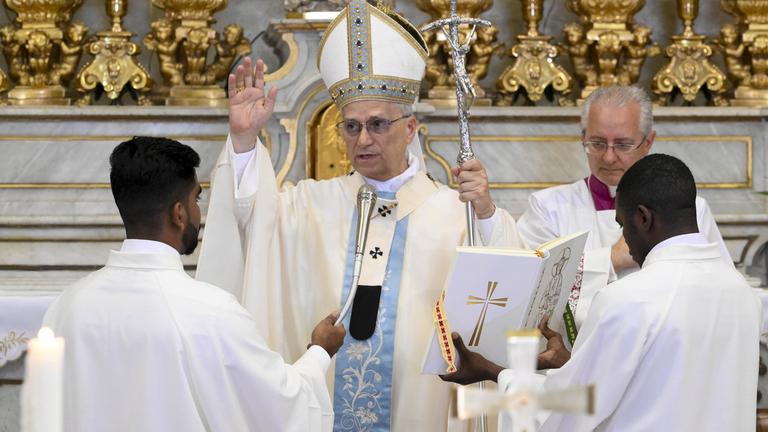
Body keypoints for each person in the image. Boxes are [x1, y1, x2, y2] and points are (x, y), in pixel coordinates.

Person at [196, 0, 523, 429]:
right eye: (351, 126)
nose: (363, 139)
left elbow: (508, 285)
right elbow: (251, 222)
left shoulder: (455, 212)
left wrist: (485, 213)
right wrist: (243, 142)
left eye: (378, 124)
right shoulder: (310, 205)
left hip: (419, 410)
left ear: (410, 128)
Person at [43, 136, 345, 432]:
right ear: (179, 213)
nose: (198, 211)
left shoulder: (67, 306)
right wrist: (320, 351)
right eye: (196, 199)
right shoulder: (211, 312)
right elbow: (277, 408)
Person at [442, 154, 761, 431]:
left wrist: (491, 371)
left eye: (623, 225)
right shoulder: (743, 295)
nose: (625, 242)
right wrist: (572, 364)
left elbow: (571, 408)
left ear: (643, 218)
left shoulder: (628, 299)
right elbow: (664, 387)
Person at [516, 86, 731, 330]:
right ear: (583, 138)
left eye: (622, 144)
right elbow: (530, 289)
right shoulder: (547, 208)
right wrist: (611, 259)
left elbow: (717, 288)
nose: (608, 157)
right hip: (573, 349)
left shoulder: (689, 208)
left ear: (648, 142)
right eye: (597, 143)